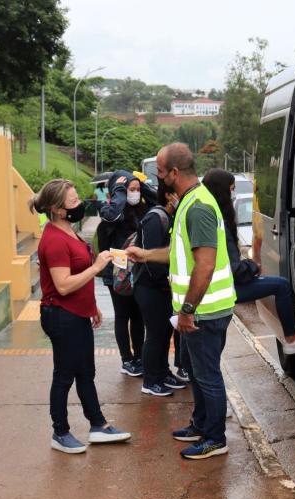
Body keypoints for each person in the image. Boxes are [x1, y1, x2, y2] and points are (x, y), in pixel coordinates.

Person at [127, 143, 235, 460]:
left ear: (175, 173)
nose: (157, 178)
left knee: (208, 375)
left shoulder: (198, 206)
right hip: (196, 311)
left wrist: (187, 311)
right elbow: (178, 254)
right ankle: (201, 424)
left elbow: (205, 265)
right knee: (199, 374)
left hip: (204, 311)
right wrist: (145, 253)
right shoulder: (189, 203)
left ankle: (215, 438)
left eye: (160, 172)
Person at [29, 179, 132, 454]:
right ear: (57, 209)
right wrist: (98, 266)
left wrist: (91, 307)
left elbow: (77, 278)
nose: (79, 205)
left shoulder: (69, 230)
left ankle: (97, 425)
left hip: (76, 313)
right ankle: (60, 432)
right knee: (65, 375)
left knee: (86, 372)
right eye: (73, 202)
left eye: (77, 199)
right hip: (61, 316)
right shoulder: (53, 240)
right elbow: (62, 285)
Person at [203, 168, 295, 355]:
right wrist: (253, 266)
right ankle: (291, 339)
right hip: (225, 288)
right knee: (281, 286)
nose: (233, 195)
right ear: (221, 191)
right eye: (231, 190)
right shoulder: (220, 223)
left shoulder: (208, 214)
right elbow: (234, 269)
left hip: (217, 288)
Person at [133, 182, 187, 396]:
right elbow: (150, 257)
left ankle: (163, 372)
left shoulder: (169, 217)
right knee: (155, 334)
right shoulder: (155, 218)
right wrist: (165, 282)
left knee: (165, 332)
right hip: (149, 287)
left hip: (163, 288)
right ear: (169, 195)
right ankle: (150, 380)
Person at [96, 170, 148, 377]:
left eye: (137, 190)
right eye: (130, 190)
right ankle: (126, 359)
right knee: (123, 315)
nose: (134, 193)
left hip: (137, 271)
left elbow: (155, 197)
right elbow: (112, 216)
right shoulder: (110, 212)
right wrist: (119, 192)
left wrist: (140, 185)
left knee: (138, 316)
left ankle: (139, 357)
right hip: (116, 273)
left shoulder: (142, 210)